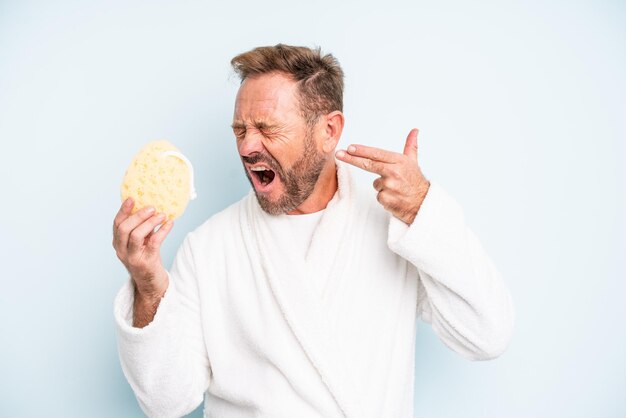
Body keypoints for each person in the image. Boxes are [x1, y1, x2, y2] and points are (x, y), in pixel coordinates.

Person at [112, 44, 514, 418]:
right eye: (240, 130)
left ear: (329, 131)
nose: (247, 146)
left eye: (267, 128)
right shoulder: (210, 248)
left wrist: (424, 211)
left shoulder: (397, 227)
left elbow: (486, 335)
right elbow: (166, 399)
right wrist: (148, 286)